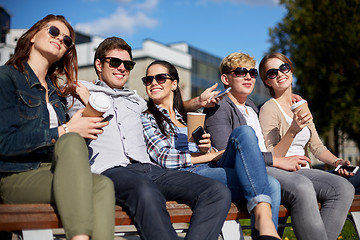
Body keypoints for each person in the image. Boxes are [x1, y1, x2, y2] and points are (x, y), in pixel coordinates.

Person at [67, 36, 232, 240]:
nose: (122, 68)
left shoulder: (136, 100)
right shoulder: (78, 90)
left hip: (150, 169)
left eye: (127, 64)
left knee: (216, 192)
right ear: (98, 64)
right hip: (110, 171)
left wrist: (199, 101)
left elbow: (170, 106)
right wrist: (88, 101)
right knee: (146, 191)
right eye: (115, 62)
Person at [204, 52, 355, 240]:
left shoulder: (251, 107)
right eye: (241, 72)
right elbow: (228, 154)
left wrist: (338, 161)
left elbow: (317, 146)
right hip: (257, 171)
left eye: (252, 72)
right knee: (301, 185)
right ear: (225, 79)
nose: (248, 76)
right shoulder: (219, 107)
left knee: (344, 187)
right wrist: (279, 158)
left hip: (278, 167)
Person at [0, 15, 115, 240]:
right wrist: (66, 131)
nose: (60, 39)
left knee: (102, 185)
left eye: (67, 40)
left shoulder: (56, 94)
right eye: (54, 32)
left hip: (55, 171)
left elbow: (71, 146)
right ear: (33, 36)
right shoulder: (7, 78)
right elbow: (4, 143)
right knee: (70, 137)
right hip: (17, 175)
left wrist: (87, 122)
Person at [140, 60, 281, 240]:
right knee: (271, 186)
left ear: (174, 84)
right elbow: (164, 158)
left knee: (244, 132)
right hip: (188, 173)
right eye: (148, 80)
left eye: (160, 78)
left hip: (209, 165)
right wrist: (209, 155)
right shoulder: (148, 116)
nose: (153, 83)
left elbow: (205, 150)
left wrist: (207, 147)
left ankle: (264, 229)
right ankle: (266, 230)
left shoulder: (185, 118)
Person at [258, 52, 360, 194]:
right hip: (291, 177)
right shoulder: (268, 108)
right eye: (272, 73)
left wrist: (338, 162)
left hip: (310, 173)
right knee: (343, 187)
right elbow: (271, 156)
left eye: (284, 68)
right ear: (267, 81)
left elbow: (317, 147)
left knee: (357, 176)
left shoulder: (301, 105)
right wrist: (292, 131)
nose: (280, 74)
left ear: (291, 70)